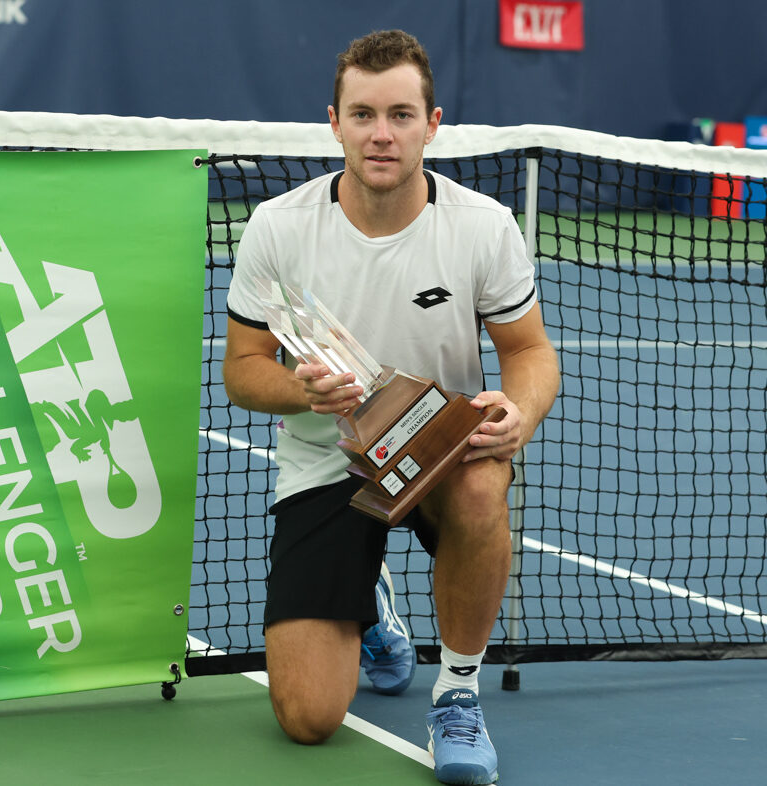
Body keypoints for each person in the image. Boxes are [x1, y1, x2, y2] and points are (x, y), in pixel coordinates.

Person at [223, 29, 560, 786]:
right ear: (334, 121)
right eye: (365, 114)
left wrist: (521, 412)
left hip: (443, 452)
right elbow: (242, 374)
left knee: (484, 481)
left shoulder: (481, 227)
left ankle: (457, 697)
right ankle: (368, 604)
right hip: (328, 462)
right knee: (308, 719)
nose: (383, 133)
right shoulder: (279, 229)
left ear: (432, 124)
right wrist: (299, 387)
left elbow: (531, 353)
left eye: (402, 115)